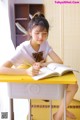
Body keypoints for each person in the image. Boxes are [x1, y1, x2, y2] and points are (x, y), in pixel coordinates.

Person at [0, 12, 78, 120]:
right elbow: (1, 69)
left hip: (42, 78)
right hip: (27, 82)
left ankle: (58, 115)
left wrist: (44, 64)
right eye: (37, 33)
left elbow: (59, 62)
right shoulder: (22, 49)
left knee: (74, 86)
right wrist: (26, 72)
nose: (41, 37)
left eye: (44, 33)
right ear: (30, 32)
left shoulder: (45, 44)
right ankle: (61, 112)